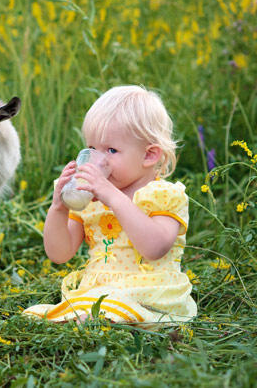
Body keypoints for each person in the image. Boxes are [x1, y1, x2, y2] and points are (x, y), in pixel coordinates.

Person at [24, 86, 197, 327]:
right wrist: (59, 209)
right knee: (57, 311)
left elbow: (155, 247)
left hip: (151, 293)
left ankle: (102, 318)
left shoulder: (163, 195)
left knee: (105, 307)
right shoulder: (90, 199)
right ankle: (94, 317)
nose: (98, 160)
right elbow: (59, 254)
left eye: (112, 150)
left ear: (149, 156)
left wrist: (113, 197)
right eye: (92, 149)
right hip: (100, 290)